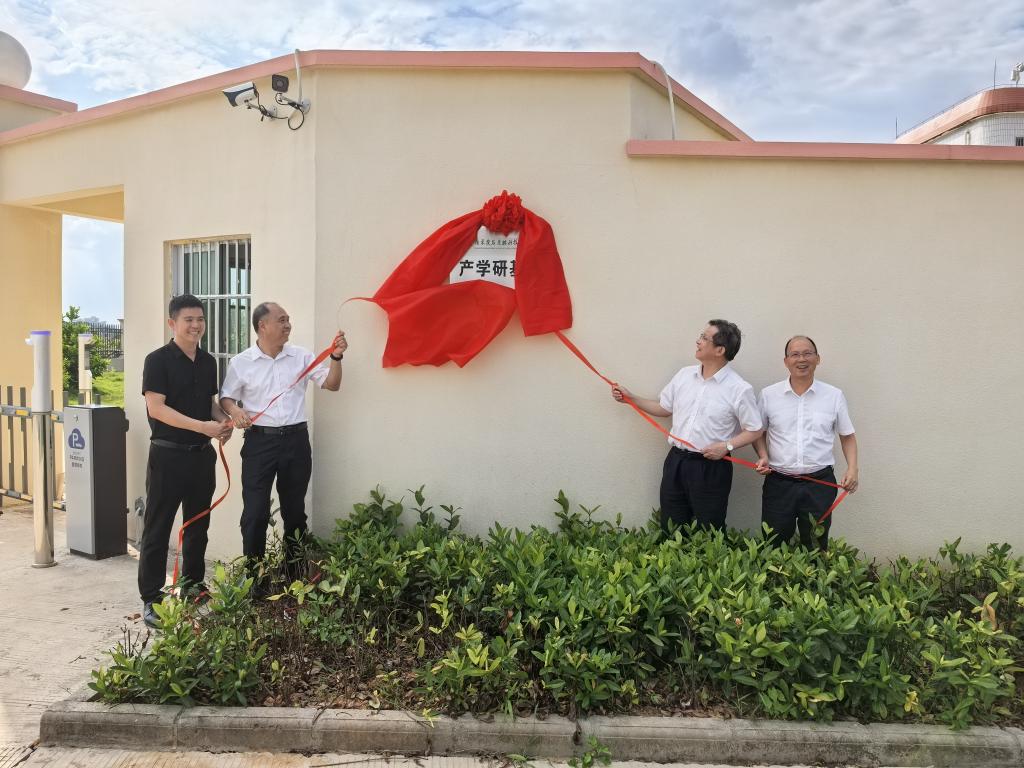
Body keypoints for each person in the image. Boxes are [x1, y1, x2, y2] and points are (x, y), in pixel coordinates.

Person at [219, 302, 347, 587]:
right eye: (281, 320)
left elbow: (332, 384)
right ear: (262, 326)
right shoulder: (241, 362)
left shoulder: (302, 356)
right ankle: (255, 580)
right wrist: (236, 411)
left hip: (295, 442)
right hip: (259, 444)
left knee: (294, 512)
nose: (288, 325)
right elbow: (226, 397)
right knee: (254, 514)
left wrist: (336, 357)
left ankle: (294, 577)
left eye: (288, 319)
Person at [612, 319, 763, 533]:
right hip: (677, 462)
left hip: (711, 468)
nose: (698, 341)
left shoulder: (739, 388)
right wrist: (631, 398)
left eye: (704, 337)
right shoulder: (684, 375)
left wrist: (726, 447)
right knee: (672, 527)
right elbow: (665, 408)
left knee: (709, 531)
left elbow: (755, 429)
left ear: (720, 350)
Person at [139, 294, 233, 629]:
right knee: (158, 528)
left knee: (197, 526)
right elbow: (157, 409)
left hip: (201, 458)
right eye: (188, 319)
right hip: (167, 456)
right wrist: (202, 427)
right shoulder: (157, 361)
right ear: (172, 323)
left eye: (200, 319)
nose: (195, 326)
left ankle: (194, 587)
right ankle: (152, 598)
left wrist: (223, 424)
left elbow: (209, 404)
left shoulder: (208, 362)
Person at [753, 335, 859, 550]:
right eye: (795, 354)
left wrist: (853, 468)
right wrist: (763, 455)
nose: (801, 359)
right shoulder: (768, 395)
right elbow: (757, 432)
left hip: (819, 484)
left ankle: (813, 582)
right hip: (779, 483)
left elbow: (847, 435)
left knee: (815, 545)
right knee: (773, 543)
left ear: (818, 359)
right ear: (786, 361)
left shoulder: (834, 395)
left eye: (807, 353)